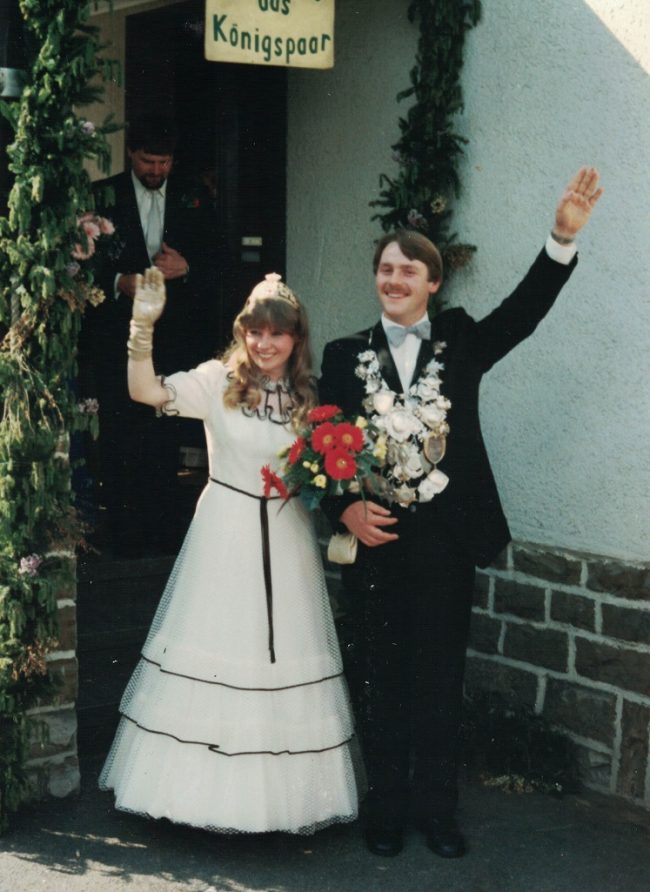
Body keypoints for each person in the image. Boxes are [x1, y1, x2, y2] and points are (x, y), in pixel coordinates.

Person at [317, 167, 603, 857]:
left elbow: (523, 312)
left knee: (440, 679)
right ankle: (386, 807)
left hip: (445, 543)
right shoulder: (343, 354)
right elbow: (323, 447)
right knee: (381, 677)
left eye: (408, 270)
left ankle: (437, 811)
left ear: (433, 283)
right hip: (377, 541)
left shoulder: (462, 340)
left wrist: (561, 238)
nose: (394, 280)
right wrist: (344, 511)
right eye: (385, 269)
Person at [99, 268, 358, 833]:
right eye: (254, 331)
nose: (264, 343)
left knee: (282, 658)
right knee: (218, 650)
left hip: (288, 540)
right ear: (242, 332)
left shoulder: (309, 397)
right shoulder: (219, 381)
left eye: (277, 333)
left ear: (296, 337)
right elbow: (145, 391)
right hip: (224, 534)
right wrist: (142, 327)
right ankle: (199, 800)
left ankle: (285, 803)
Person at [82, 114, 220, 556]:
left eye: (164, 162)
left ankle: (163, 539)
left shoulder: (193, 195)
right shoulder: (101, 196)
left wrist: (187, 267)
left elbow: (219, 258)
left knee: (165, 434)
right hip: (117, 340)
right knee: (120, 434)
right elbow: (81, 267)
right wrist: (118, 282)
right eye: (148, 161)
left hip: (174, 340)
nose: (157, 170)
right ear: (131, 154)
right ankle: (120, 538)